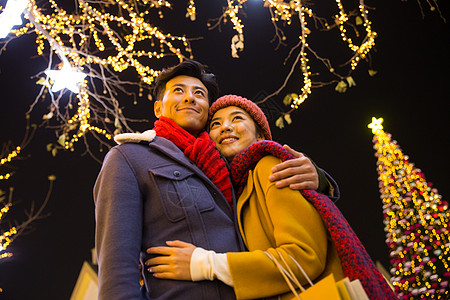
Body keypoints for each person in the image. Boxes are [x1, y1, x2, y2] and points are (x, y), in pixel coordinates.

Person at [94, 60, 338, 300]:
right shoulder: (130, 158)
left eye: (199, 93)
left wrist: (320, 179)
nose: (190, 98)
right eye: (178, 91)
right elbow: (117, 270)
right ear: (158, 108)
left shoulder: (231, 169)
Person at [145, 95, 398, 300]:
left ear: (260, 135)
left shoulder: (269, 166)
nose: (226, 127)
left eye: (237, 118)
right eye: (215, 124)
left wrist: (205, 264)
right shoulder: (235, 188)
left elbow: (303, 257)